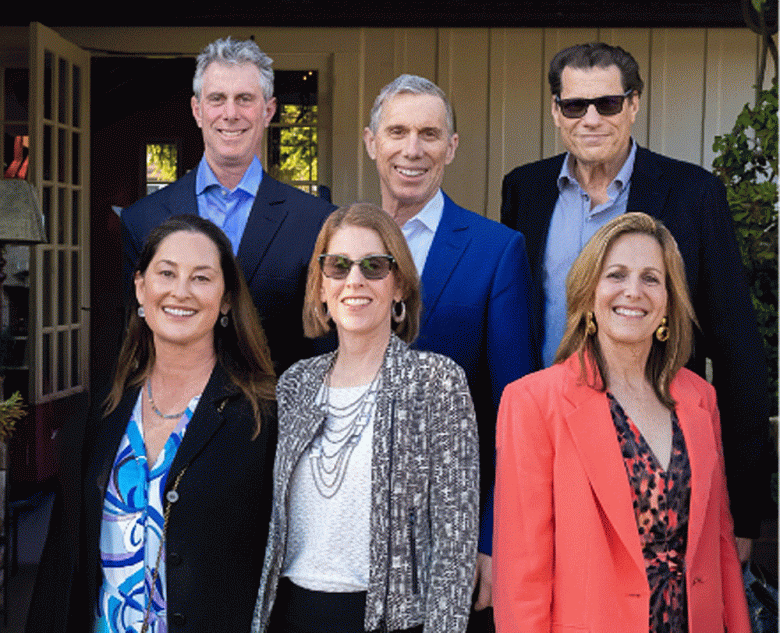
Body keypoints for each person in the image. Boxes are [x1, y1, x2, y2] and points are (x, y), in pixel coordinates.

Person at [500, 42, 768, 548]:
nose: (592, 118)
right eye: (575, 105)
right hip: (549, 439)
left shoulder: (693, 194)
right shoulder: (525, 189)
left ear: (635, 104)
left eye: (609, 103)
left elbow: (738, 350)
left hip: (655, 450)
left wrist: (746, 509)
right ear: (557, 110)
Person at [493, 212, 750, 633]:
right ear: (589, 291)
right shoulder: (534, 402)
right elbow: (522, 574)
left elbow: (720, 545)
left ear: (668, 299)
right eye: (617, 274)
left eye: (652, 278)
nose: (634, 291)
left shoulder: (699, 398)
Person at [27, 215, 277, 633]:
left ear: (226, 300)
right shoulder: (101, 412)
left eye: (201, 278)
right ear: (141, 287)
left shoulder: (260, 417)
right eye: (166, 273)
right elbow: (64, 563)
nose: (180, 291)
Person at [252, 203, 479, 633]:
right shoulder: (295, 385)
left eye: (374, 266)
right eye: (337, 266)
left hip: (387, 620)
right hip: (291, 614)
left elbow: (455, 545)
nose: (354, 280)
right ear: (320, 287)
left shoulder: (436, 383)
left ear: (399, 287)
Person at [363, 74, 534, 622]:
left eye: (430, 134)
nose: (412, 149)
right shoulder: (341, 247)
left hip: (448, 533)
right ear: (372, 142)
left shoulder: (496, 250)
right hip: (346, 527)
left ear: (451, 147)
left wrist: (492, 538)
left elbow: (514, 414)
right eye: (397, 132)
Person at [122, 36, 335, 374]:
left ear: (268, 111)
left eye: (245, 99)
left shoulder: (316, 222)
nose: (231, 113)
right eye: (217, 99)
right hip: (175, 416)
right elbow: (134, 342)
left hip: (276, 416)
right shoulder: (143, 219)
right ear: (197, 110)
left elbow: (324, 349)